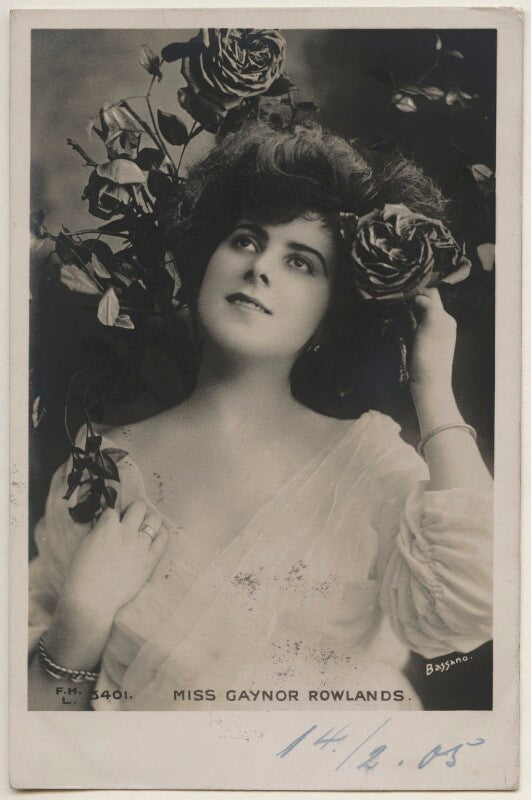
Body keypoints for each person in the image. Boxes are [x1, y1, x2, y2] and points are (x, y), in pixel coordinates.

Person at [28, 121, 493, 710]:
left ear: (331, 313)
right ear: (204, 259)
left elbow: (475, 604)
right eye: (246, 240)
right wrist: (81, 618)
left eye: (301, 262)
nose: (260, 267)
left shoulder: (372, 466)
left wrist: (433, 388)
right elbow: (40, 726)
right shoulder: (99, 465)